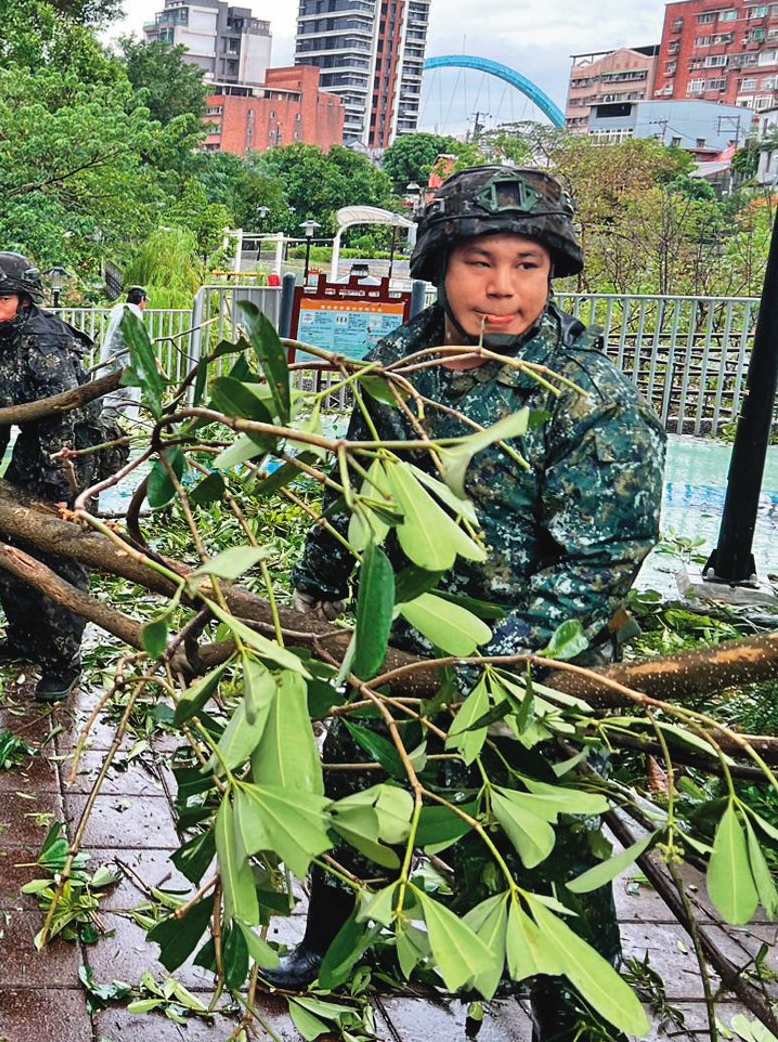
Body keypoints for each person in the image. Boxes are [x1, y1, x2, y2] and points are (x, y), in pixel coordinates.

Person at [264, 167, 666, 1042]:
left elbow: (607, 554)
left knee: (549, 843)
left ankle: (578, 1007)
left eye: (527, 264)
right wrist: (317, 599)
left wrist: (515, 650)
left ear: (552, 272)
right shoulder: (392, 368)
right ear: (440, 266)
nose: (502, 287)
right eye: (480, 261)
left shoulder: (587, 395)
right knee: (351, 794)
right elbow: (354, 498)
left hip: (531, 666)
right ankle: (332, 945)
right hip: (397, 648)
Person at [0, 251, 100, 703]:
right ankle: (23, 640)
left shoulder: (46, 340)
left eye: (3, 297)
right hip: (33, 443)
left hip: (72, 449)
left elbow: (65, 414)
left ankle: (64, 661)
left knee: (58, 554)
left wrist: (66, 491)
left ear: (24, 298)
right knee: (7, 538)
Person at [98, 285, 149, 425]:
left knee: (115, 390)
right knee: (127, 390)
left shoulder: (120, 310)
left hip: (114, 355)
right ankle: (126, 422)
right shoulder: (133, 313)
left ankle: (111, 419)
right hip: (121, 357)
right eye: (146, 301)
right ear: (142, 300)